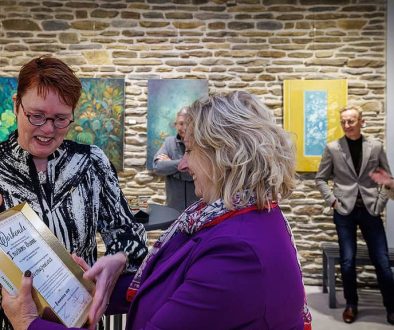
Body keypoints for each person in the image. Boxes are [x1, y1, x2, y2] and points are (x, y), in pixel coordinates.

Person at [2, 91, 312, 330]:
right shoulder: (226, 217)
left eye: (190, 150)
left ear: (226, 156)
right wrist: (101, 284)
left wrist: (30, 324)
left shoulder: (238, 252)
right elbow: (172, 285)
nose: (185, 163)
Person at [0, 56, 148, 328]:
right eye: (37, 116)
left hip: (82, 320)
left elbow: (128, 231)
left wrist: (119, 256)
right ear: (16, 105)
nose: (48, 129)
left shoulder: (92, 162)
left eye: (60, 119)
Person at [315, 105, 394, 325]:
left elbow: (387, 179)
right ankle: (351, 304)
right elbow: (321, 178)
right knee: (347, 261)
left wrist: (380, 204)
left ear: (361, 121)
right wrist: (332, 201)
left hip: (370, 210)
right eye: (343, 122)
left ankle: (391, 305)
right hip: (344, 211)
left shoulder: (376, 146)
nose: (347, 125)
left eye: (351, 121)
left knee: (382, 261)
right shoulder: (332, 148)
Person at [152, 107, 198, 212]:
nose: (184, 127)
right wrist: (185, 165)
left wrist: (171, 165)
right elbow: (157, 167)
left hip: (197, 208)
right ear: (175, 125)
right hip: (173, 208)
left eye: (188, 123)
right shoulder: (169, 142)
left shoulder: (200, 144)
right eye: (181, 124)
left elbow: (198, 172)